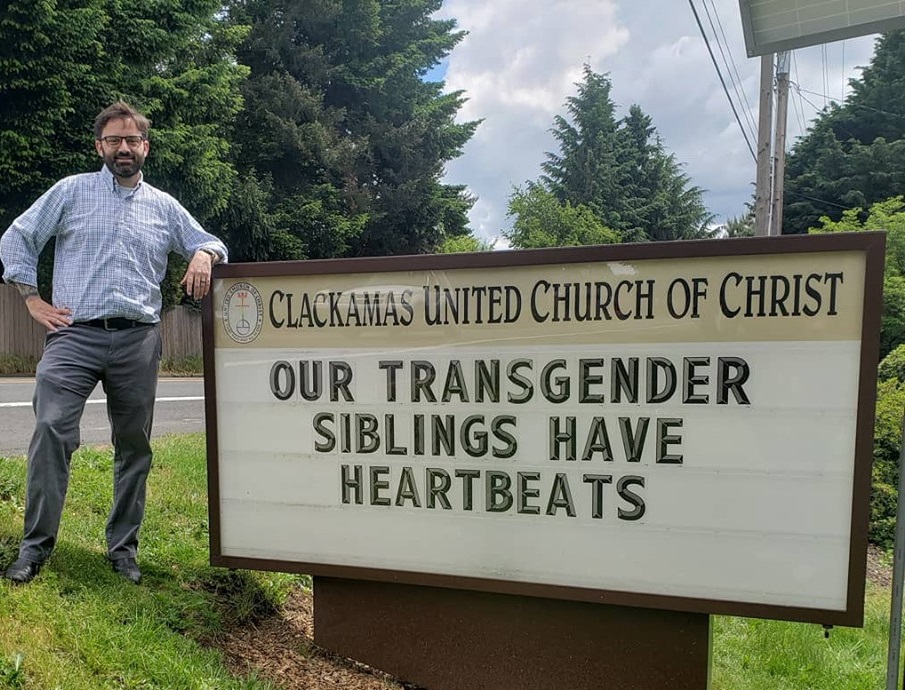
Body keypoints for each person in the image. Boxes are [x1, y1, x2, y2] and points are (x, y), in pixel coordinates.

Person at [0, 101, 227, 585]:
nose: (124, 148)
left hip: (138, 341)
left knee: (134, 446)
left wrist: (204, 253)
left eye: (132, 140)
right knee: (50, 432)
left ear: (145, 146)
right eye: (114, 140)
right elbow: (18, 237)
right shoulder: (71, 192)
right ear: (99, 146)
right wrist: (31, 299)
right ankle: (34, 548)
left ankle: (123, 549)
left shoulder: (164, 206)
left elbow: (208, 240)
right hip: (72, 336)